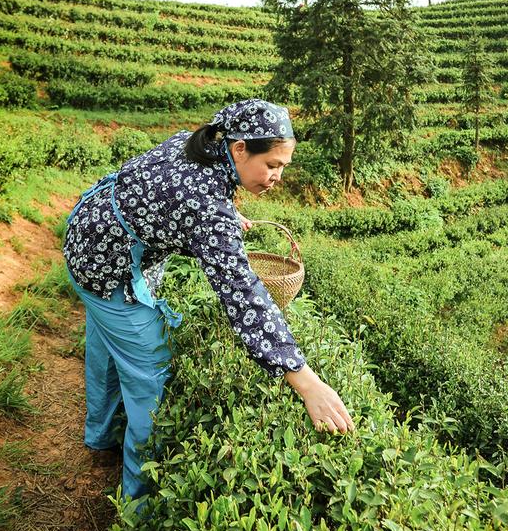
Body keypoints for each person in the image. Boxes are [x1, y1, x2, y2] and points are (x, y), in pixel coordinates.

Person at [63, 98, 355, 502]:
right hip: (107, 265)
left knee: (107, 347)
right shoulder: (207, 206)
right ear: (239, 148)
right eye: (272, 164)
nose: (278, 176)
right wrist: (305, 382)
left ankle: (99, 437)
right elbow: (244, 295)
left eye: (283, 166)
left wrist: (226, 215)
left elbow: (173, 193)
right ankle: (138, 504)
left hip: (88, 234)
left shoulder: (198, 143)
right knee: (150, 377)